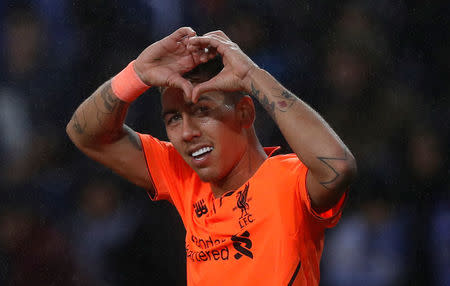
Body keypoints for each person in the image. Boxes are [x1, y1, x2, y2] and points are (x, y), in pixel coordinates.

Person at [67, 27, 357, 286]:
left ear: (244, 113)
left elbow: (338, 167)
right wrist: (136, 74)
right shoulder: (183, 176)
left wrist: (251, 76)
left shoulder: (289, 180)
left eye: (202, 111)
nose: (187, 132)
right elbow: (86, 134)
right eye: (174, 119)